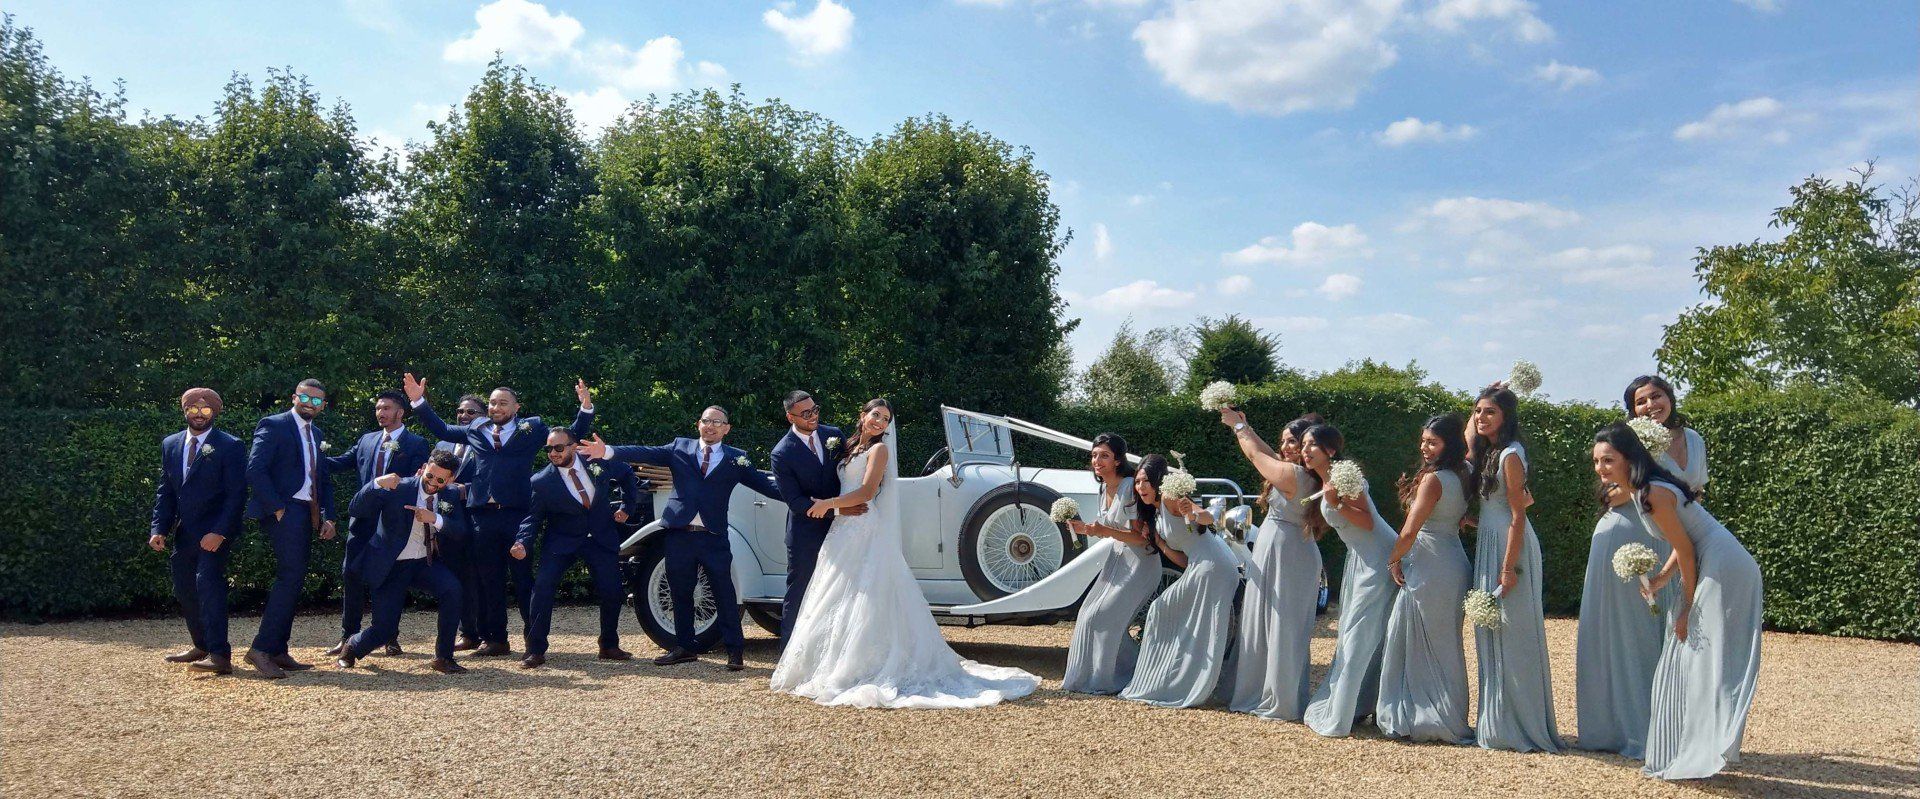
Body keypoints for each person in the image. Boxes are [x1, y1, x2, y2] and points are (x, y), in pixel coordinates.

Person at [770, 399, 1039, 708]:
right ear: (863, 415)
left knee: (867, 593)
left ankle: (863, 664)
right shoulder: (847, 444)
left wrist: (827, 504)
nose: (879, 422)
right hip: (841, 527)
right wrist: (835, 508)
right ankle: (823, 663)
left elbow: (867, 492)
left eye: (885, 419)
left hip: (862, 524)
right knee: (835, 593)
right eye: (875, 415)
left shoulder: (879, 450)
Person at [1592, 423, 1763, 780]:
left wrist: (1686, 608)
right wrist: (1660, 579)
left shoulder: (1651, 492)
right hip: (1713, 558)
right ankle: (1687, 746)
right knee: (1689, 656)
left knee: (1705, 653)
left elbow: (1687, 549)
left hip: (1725, 565)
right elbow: (1682, 542)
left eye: (1608, 460)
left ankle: (1708, 747)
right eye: (1596, 461)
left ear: (1628, 458)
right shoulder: (1642, 491)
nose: (1601, 468)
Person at [404, 373, 595, 657]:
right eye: (493, 403)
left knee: (523, 580)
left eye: (503, 403)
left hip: (518, 514)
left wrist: (585, 408)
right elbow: (442, 429)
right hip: (482, 516)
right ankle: (496, 640)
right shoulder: (476, 428)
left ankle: (534, 643)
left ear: (516, 408)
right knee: (488, 581)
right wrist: (418, 401)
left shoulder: (532, 429)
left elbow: (571, 435)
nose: (496, 408)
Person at [582, 405, 779, 671]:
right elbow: (645, 452)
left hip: (713, 536)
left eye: (717, 422)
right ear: (699, 424)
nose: (710, 426)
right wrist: (607, 451)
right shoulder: (680, 448)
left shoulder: (737, 458)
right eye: (706, 421)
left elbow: (766, 485)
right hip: (678, 534)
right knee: (680, 591)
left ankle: (735, 651)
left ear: (726, 429)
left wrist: (806, 499)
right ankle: (684, 647)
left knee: (725, 593)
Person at [1467, 384, 1565, 752]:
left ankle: (1519, 725)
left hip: (1511, 548)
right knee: (1491, 632)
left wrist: (1508, 569)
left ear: (1505, 416)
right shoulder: (1489, 451)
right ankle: (1496, 721)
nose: (1481, 417)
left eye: (1489, 411)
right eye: (1477, 411)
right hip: (1491, 539)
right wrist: (1472, 522)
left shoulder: (1509, 455)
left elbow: (1517, 515)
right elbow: (1468, 435)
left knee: (1513, 631)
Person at [1375, 414, 1474, 744]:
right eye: (1423, 441)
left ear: (1449, 444)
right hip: (1454, 563)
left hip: (1429, 565)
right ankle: (1449, 716)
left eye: (1433, 442)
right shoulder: (1465, 472)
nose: (1424, 447)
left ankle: (1420, 715)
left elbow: (1409, 531)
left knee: (1415, 641)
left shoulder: (1434, 480)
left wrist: (1393, 560)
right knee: (1446, 645)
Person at [1220, 411, 1322, 720]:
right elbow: (1266, 453)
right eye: (1284, 442)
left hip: (1288, 553)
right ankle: (1266, 688)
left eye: (1293, 442)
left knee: (1282, 624)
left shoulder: (1296, 476)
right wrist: (1246, 425)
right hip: (1284, 548)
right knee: (1270, 621)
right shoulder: (1300, 472)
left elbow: (1256, 456)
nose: (1286, 447)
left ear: (1307, 445)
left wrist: (1239, 427)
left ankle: (1279, 697)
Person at [511, 429, 641, 668]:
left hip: (600, 538)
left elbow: (626, 473)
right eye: (549, 449)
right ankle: (535, 650)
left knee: (612, 591)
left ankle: (609, 645)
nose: (553, 453)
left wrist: (627, 507)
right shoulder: (541, 481)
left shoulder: (596, 461)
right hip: (562, 542)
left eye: (558, 448)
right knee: (542, 589)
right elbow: (533, 518)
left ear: (573, 446)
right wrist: (522, 542)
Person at [1118, 454, 1238, 709]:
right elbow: (1183, 561)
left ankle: (1182, 681)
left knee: (1162, 610)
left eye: (1146, 481)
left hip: (1215, 565)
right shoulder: (1156, 513)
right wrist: (1158, 541)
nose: (1141, 487)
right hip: (1199, 565)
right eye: (1137, 482)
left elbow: (1208, 517)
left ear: (1158, 482)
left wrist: (1193, 513)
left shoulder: (1171, 499)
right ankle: (1170, 676)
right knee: (1161, 611)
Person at [1300, 424, 1397, 737]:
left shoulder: (1344, 477)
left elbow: (1367, 522)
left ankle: (1341, 713)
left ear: (1330, 450)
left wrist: (1336, 503)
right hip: (1364, 560)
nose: (1304, 451)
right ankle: (1359, 704)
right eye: (1303, 445)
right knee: (1359, 634)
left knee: (1358, 635)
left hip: (1379, 561)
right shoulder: (1326, 481)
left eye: (1311, 445)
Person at [334, 451, 469, 674]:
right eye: (429, 476)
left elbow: (460, 531)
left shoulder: (450, 494)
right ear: (424, 467)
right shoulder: (399, 488)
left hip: (424, 563)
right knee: (384, 630)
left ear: (451, 479)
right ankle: (353, 646)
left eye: (440, 480)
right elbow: (355, 509)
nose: (432, 483)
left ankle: (443, 658)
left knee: (453, 590)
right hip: (392, 566)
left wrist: (435, 519)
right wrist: (376, 484)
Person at [323, 389, 431, 658]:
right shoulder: (367, 439)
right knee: (351, 574)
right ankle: (348, 636)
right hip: (362, 519)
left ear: (400, 412)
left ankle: (389, 636)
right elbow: (342, 463)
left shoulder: (416, 443)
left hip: (393, 523)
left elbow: (417, 482)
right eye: (378, 408)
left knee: (389, 578)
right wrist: (313, 458)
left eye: (386, 408)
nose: (380, 413)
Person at [242, 378, 337, 679]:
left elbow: (322, 479)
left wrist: (329, 517)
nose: (310, 404)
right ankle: (260, 649)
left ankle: (278, 650)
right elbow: (255, 469)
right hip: (285, 510)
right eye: (305, 398)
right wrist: (277, 507)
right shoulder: (274, 424)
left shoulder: (316, 433)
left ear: (323, 406)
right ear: (294, 397)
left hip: (307, 512)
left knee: (294, 579)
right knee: (289, 577)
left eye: (317, 401)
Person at [148, 387, 246, 675]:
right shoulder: (171, 444)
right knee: (184, 588)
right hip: (185, 532)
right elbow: (166, 490)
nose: (199, 414)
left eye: (205, 409)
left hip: (215, 533)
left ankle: (219, 655)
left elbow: (236, 494)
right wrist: (159, 528)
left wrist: (220, 532)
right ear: (185, 410)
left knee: (209, 586)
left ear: (214, 412)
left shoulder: (230, 445)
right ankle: (201, 645)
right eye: (193, 408)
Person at [1575, 479, 1671, 758]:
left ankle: (1646, 726)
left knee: (1637, 632)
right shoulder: (1623, 474)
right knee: (1608, 632)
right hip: (1619, 540)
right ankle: (1609, 727)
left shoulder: (1650, 472)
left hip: (1645, 537)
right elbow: (1610, 496)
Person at [1059, 433, 1158, 695]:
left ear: (1117, 460)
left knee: (1104, 616)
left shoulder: (1129, 486)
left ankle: (1124, 676)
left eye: (1104, 455)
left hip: (1141, 563)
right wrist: (1084, 529)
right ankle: (1096, 675)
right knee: (1087, 613)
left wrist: (1104, 531)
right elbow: (1107, 529)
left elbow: (1140, 537)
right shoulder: (1103, 488)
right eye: (1094, 455)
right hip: (1118, 559)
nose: (1097, 461)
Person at [767, 390, 865, 642]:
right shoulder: (781, 453)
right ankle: (788, 652)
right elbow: (795, 502)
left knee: (841, 591)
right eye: (806, 413)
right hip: (805, 535)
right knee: (799, 592)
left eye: (815, 410)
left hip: (843, 529)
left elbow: (848, 473)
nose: (813, 416)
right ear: (790, 417)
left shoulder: (834, 435)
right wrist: (838, 509)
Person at [434, 393, 485, 651]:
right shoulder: (443, 443)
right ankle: (466, 633)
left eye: (471, 412)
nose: (463, 416)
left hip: (476, 519)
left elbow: (492, 480)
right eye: (460, 411)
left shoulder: (487, 443)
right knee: (453, 577)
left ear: (483, 417)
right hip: (446, 521)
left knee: (475, 578)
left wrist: (465, 490)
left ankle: (479, 632)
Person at [1624, 375, 1709, 493]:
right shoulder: (1631, 445)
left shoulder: (1693, 438)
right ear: (1634, 410)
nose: (1650, 404)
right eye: (1641, 402)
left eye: (1656, 396)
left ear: (1670, 398)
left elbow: (1698, 490)